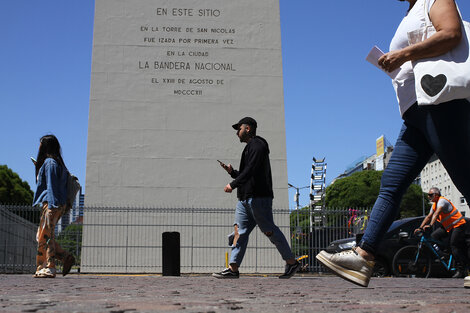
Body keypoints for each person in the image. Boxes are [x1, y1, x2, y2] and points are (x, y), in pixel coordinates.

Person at [316, 0, 470, 287]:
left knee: (465, 176)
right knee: (391, 184)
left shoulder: (434, 0)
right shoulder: (411, 11)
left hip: (440, 104)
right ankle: (364, 256)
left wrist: (402, 55)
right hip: (415, 114)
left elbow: (451, 34)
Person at [212, 117, 301, 279]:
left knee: (270, 231)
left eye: (238, 129)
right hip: (245, 199)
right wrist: (233, 172)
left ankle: (291, 262)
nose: (236, 133)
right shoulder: (249, 148)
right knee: (239, 232)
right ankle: (233, 269)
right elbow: (248, 175)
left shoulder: (258, 145)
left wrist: (233, 183)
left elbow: (251, 170)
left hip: (259, 198)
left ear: (247, 129)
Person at [32, 134, 75, 278]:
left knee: (47, 237)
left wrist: (51, 205)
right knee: (41, 236)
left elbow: (51, 185)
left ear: (45, 146)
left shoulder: (49, 163)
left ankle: (49, 267)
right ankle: (65, 257)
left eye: (40, 144)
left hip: (51, 203)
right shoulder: (58, 163)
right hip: (58, 203)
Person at [414, 187, 467, 277]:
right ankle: (444, 254)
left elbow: (436, 214)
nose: (428, 196)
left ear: (436, 195)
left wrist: (430, 225)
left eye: (430, 195)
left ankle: (461, 269)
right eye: (428, 195)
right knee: (433, 236)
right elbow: (429, 216)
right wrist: (420, 227)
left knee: (453, 244)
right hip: (448, 227)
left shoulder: (442, 201)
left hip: (458, 225)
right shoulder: (434, 205)